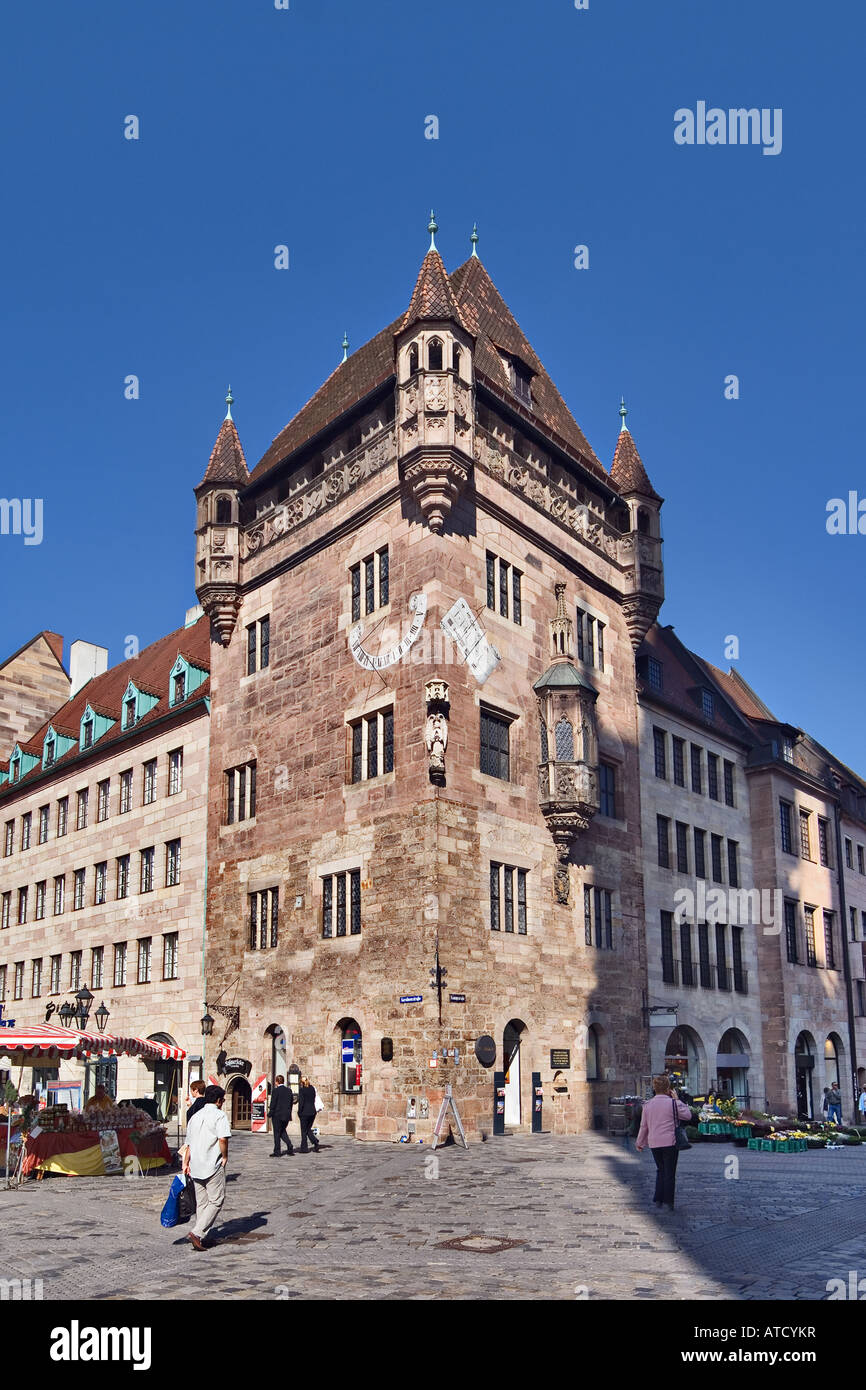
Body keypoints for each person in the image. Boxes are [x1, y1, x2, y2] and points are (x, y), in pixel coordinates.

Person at [184, 1084, 231, 1251]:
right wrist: (225, 1156)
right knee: (217, 1200)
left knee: (202, 1203)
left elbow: (188, 1144)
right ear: (218, 1100)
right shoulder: (219, 1115)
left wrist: (185, 1162)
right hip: (212, 1163)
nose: (222, 1103)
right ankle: (197, 1233)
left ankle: (203, 1236)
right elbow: (223, 1139)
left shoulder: (195, 1116)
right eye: (223, 1100)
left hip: (196, 1164)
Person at [636, 1076, 692, 1211]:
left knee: (660, 1169)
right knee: (670, 1172)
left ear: (655, 1088)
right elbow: (688, 1115)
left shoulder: (647, 1105)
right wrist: (677, 1099)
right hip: (670, 1142)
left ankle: (658, 1198)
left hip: (654, 1142)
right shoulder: (673, 1103)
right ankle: (668, 1201)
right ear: (668, 1089)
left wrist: (640, 1142)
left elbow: (643, 1126)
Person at [269, 1074, 295, 1157]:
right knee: (282, 1131)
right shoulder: (289, 1090)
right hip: (286, 1115)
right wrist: (289, 1112)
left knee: (277, 1133)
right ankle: (289, 1145)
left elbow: (273, 1103)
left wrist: (270, 1113)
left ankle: (277, 1151)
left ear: (277, 1082)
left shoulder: (275, 1091)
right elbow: (291, 1103)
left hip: (277, 1115)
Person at [297, 1076, 320, 1153]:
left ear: (301, 1083)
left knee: (304, 1130)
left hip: (304, 1112)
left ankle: (304, 1148)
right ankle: (315, 1142)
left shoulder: (302, 1090)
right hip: (312, 1111)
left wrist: (299, 1112)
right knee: (308, 1129)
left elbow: (301, 1102)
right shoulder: (312, 1088)